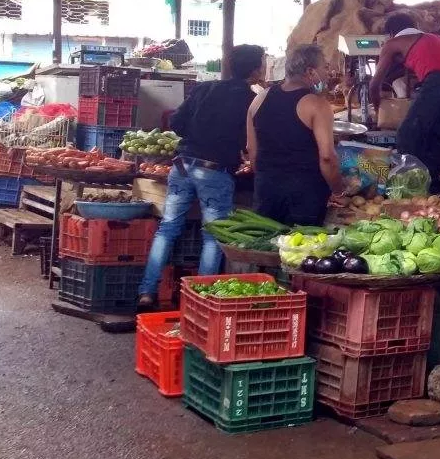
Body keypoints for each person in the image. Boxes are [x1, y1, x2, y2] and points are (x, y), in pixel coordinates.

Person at [137, 44, 264, 307]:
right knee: (213, 236)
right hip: (214, 173)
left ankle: (147, 292)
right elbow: (250, 141)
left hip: (182, 166)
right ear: (255, 69)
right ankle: (198, 301)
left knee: (167, 229)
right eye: (262, 62)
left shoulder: (205, 88)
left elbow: (175, 123)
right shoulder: (250, 100)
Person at [367, 12, 440, 185]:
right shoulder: (435, 39)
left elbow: (374, 85)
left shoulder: (392, 43)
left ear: (391, 33)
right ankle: (435, 186)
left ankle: (406, 185)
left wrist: (377, 109)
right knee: (437, 136)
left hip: (439, 81)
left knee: (407, 134)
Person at [247, 44, 342, 226]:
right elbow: (327, 157)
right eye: (325, 67)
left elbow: (252, 151)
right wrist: (339, 191)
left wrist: (270, 179)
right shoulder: (317, 105)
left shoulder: (259, 98)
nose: (327, 73)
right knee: (300, 251)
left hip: (266, 191)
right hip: (305, 195)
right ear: (310, 72)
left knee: (267, 247)